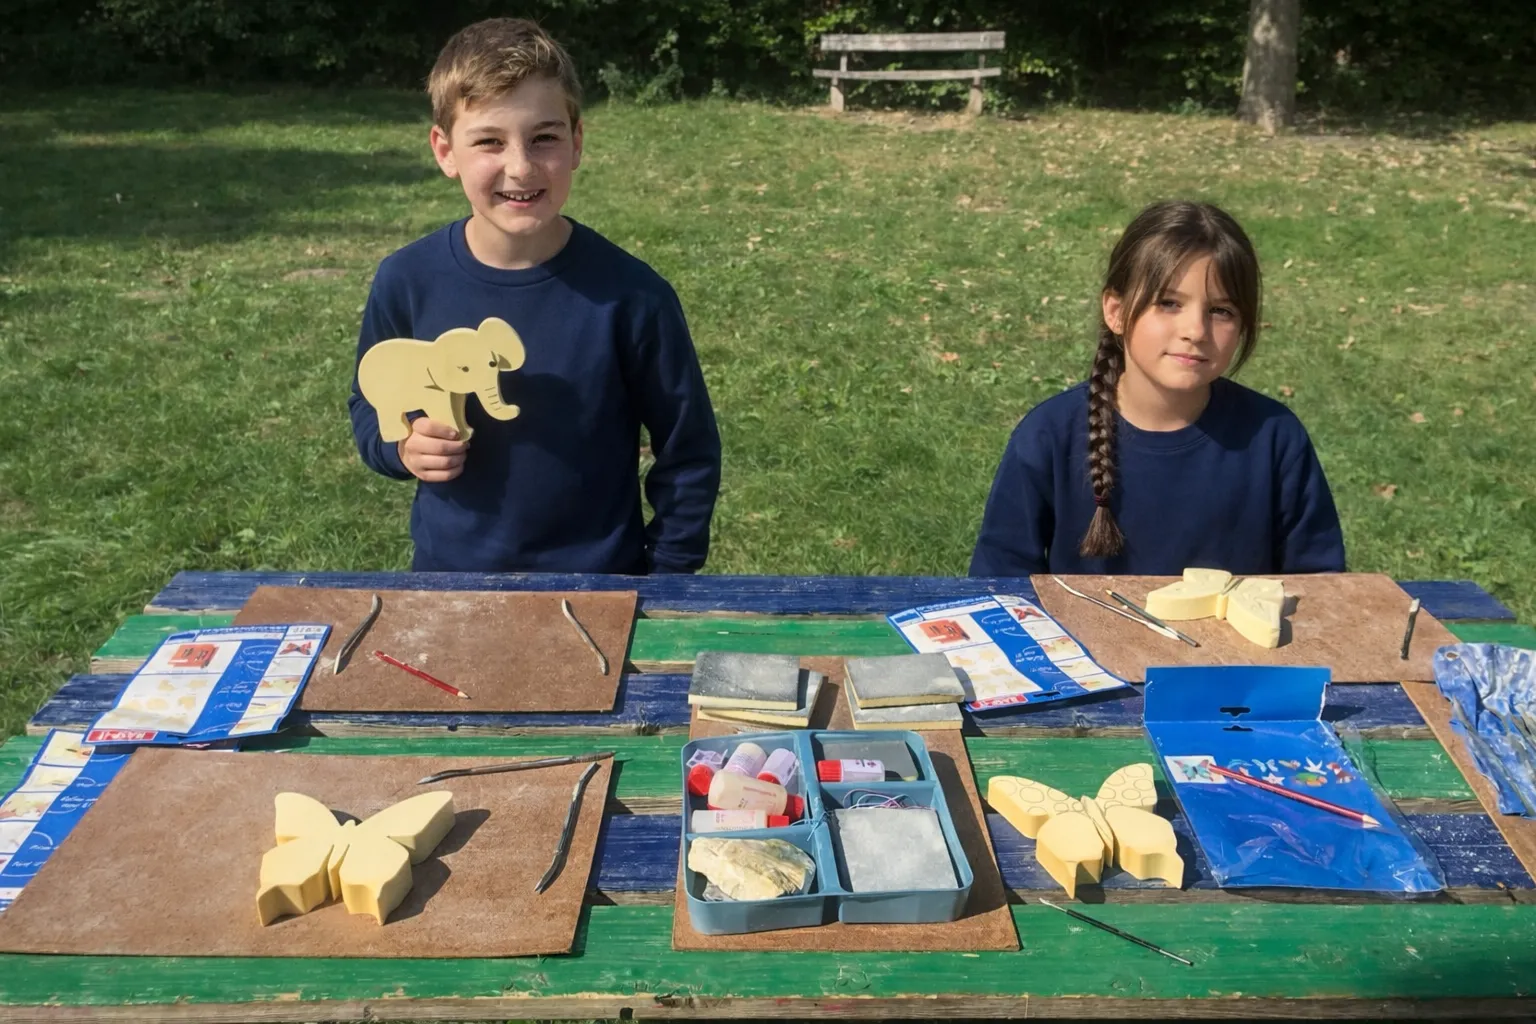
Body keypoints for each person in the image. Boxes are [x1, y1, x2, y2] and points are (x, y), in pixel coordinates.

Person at [348, 18, 721, 574]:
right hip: (449, 580)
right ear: (445, 150)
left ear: (576, 142)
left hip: (601, 584)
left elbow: (688, 450)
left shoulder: (633, 296)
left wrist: (666, 579)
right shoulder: (406, 280)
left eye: (543, 137)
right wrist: (401, 449)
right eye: (490, 141)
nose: (520, 167)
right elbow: (368, 400)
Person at [969, 200, 1345, 577]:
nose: (1195, 331)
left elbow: (1322, 590)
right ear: (1115, 311)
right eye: (1168, 303)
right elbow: (998, 588)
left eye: (1221, 311)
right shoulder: (1048, 436)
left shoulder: (1276, 438)